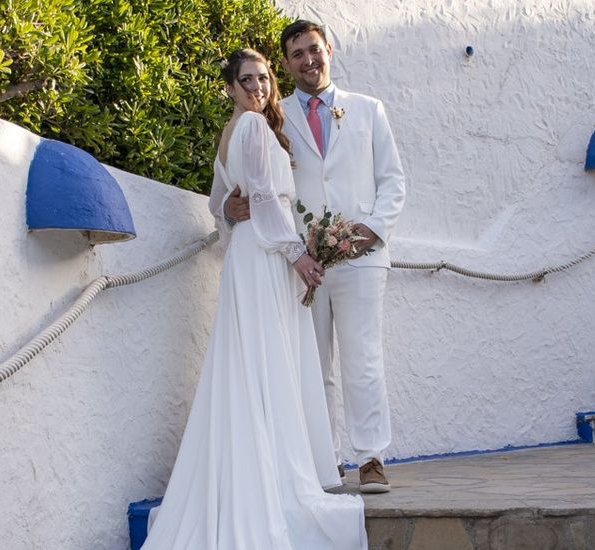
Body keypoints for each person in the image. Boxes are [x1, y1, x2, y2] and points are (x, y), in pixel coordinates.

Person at [141, 48, 367, 550]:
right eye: (248, 80)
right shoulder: (253, 128)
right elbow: (264, 199)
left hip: (249, 254)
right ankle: (274, 485)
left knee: (249, 366)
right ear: (230, 87)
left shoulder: (232, 131)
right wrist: (299, 258)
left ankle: (250, 475)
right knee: (266, 365)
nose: (259, 87)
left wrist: (228, 206)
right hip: (266, 254)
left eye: (264, 78)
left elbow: (216, 201)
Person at [223, 20, 406, 493]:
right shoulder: (269, 114)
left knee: (363, 357)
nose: (309, 60)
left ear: (329, 50)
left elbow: (393, 180)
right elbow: (236, 181)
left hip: (360, 255)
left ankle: (369, 459)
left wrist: (373, 229)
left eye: (314, 50)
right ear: (286, 64)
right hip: (300, 263)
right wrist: (226, 205)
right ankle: (322, 462)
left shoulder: (368, 110)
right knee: (311, 362)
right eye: (297, 54)